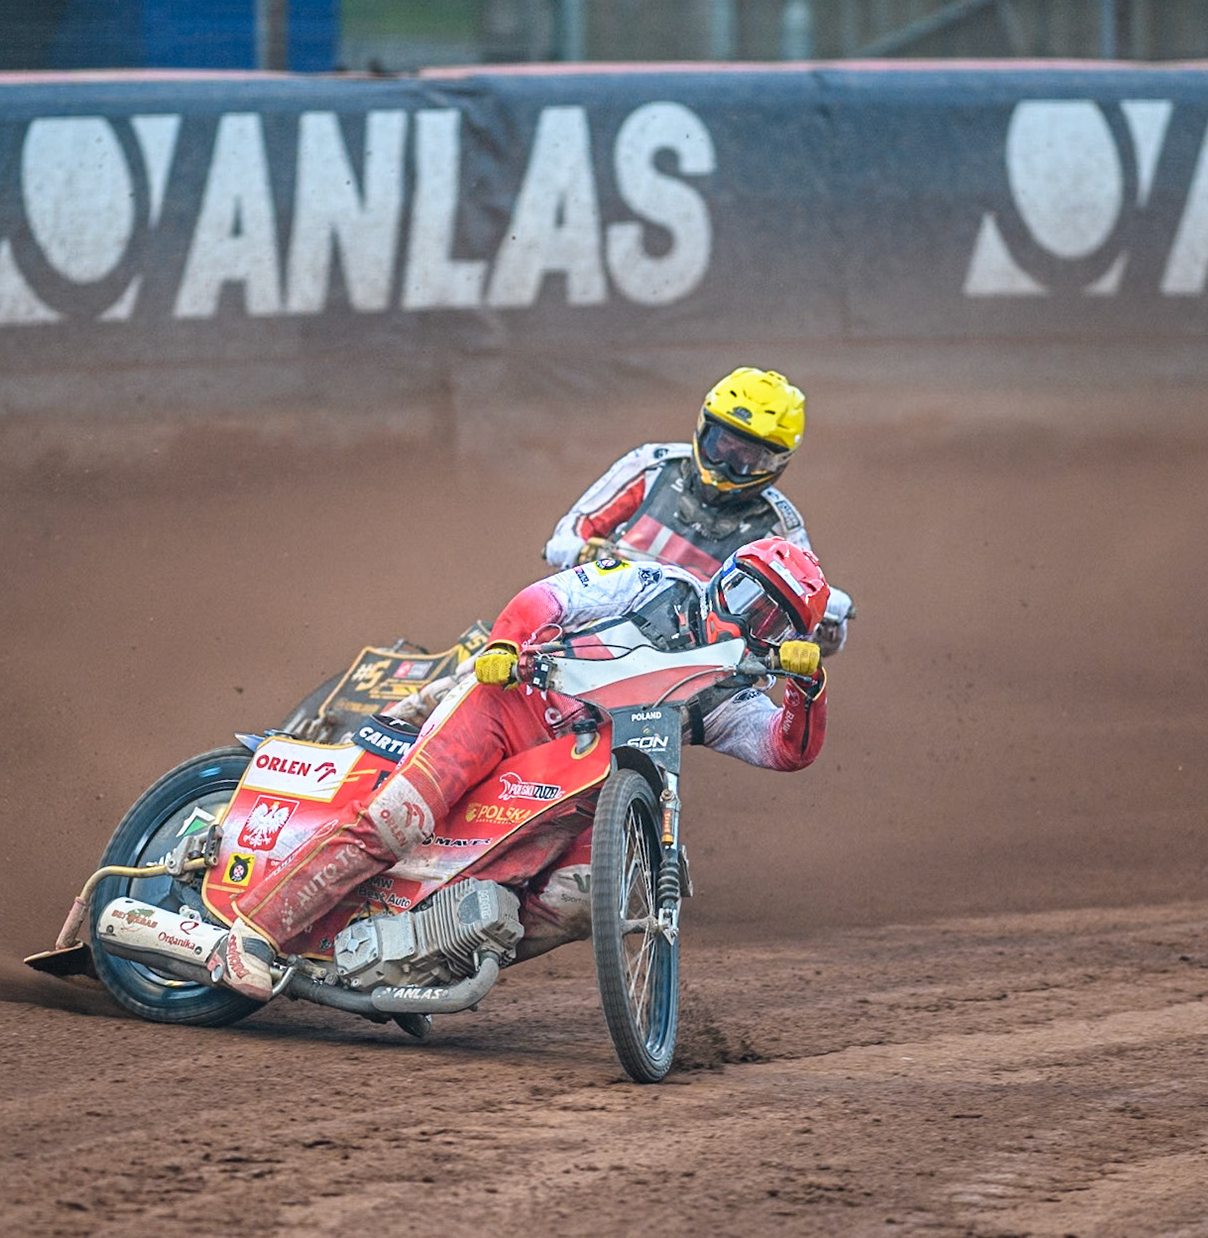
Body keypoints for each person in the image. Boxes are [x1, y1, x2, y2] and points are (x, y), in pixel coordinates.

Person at [206, 538, 831, 1001]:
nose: (752, 622)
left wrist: (809, 688)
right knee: (399, 821)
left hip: (581, 787)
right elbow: (549, 596)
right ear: (725, 577)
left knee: (590, 899)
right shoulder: (653, 583)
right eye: (750, 597)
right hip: (507, 711)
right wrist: (507, 642)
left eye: (775, 624)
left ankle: (427, 961)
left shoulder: (731, 699)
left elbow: (785, 749)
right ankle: (255, 932)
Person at [540, 367, 852, 657]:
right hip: (596, 632)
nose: (725, 466)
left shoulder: (779, 526)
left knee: (759, 717)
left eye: (746, 458)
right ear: (703, 430)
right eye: (720, 446)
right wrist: (582, 553)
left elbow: (811, 623)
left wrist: (826, 626)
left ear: (775, 464)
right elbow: (563, 539)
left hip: (694, 672)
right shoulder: (653, 467)